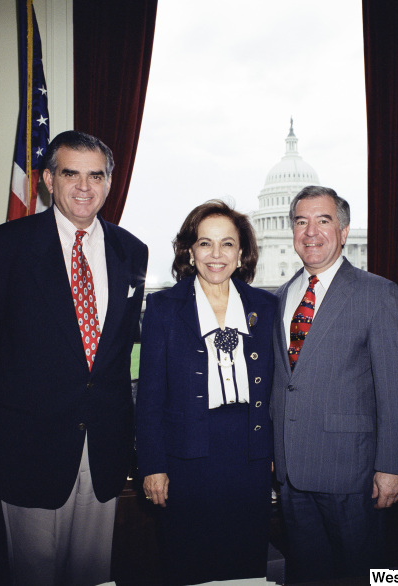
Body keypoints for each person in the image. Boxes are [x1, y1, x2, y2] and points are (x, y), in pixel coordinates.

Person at [0, 130, 148, 586]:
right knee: (33, 574)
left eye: (96, 175)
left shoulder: (131, 250)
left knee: (93, 575)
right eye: (71, 174)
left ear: (109, 181)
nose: (84, 186)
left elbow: (118, 353)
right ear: (46, 180)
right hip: (29, 447)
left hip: (102, 449)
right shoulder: (4, 246)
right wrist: (10, 415)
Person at [270, 186, 398, 581]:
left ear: (345, 231)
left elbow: (395, 389)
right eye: (301, 221)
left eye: (323, 220)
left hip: (353, 473)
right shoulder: (281, 297)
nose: (310, 231)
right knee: (307, 574)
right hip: (291, 472)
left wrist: (392, 466)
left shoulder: (377, 293)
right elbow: (283, 383)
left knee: (358, 574)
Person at [135, 200, 276, 585]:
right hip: (187, 457)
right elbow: (149, 397)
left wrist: (277, 454)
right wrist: (152, 465)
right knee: (188, 563)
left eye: (227, 244)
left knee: (245, 563)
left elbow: (279, 389)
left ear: (242, 252)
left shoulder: (265, 306)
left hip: (250, 455)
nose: (217, 255)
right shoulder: (163, 308)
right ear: (189, 251)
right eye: (205, 244)